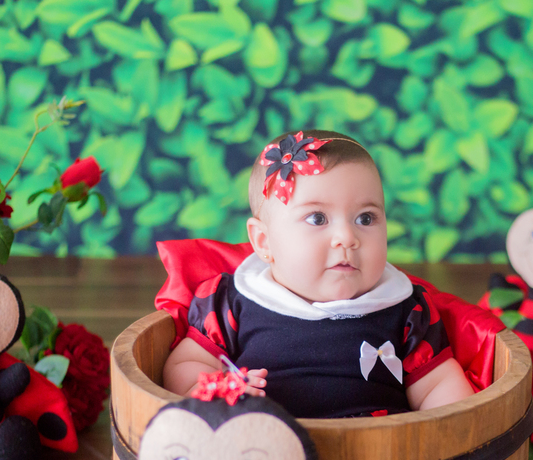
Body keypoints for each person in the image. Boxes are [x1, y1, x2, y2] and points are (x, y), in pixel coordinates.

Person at [162, 130, 475, 419]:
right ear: (263, 241)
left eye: (366, 218)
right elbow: (185, 364)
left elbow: (437, 385)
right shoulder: (234, 301)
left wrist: (453, 429)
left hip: (380, 453)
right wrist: (217, 390)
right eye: (317, 218)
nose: (347, 237)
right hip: (261, 453)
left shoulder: (405, 309)